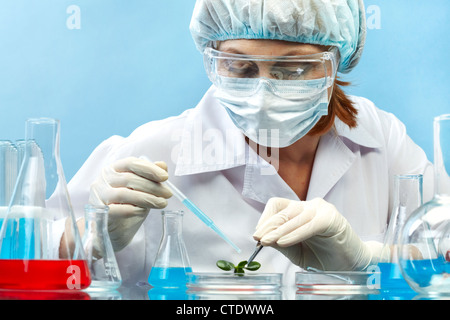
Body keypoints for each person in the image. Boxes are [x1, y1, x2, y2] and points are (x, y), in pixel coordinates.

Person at [62, 0, 433, 285]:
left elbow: (442, 245)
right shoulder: (154, 152)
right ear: (213, 57)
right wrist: (89, 239)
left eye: (294, 70)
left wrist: (369, 260)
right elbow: (18, 256)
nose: (262, 94)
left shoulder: (382, 140)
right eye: (240, 67)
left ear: (337, 60)